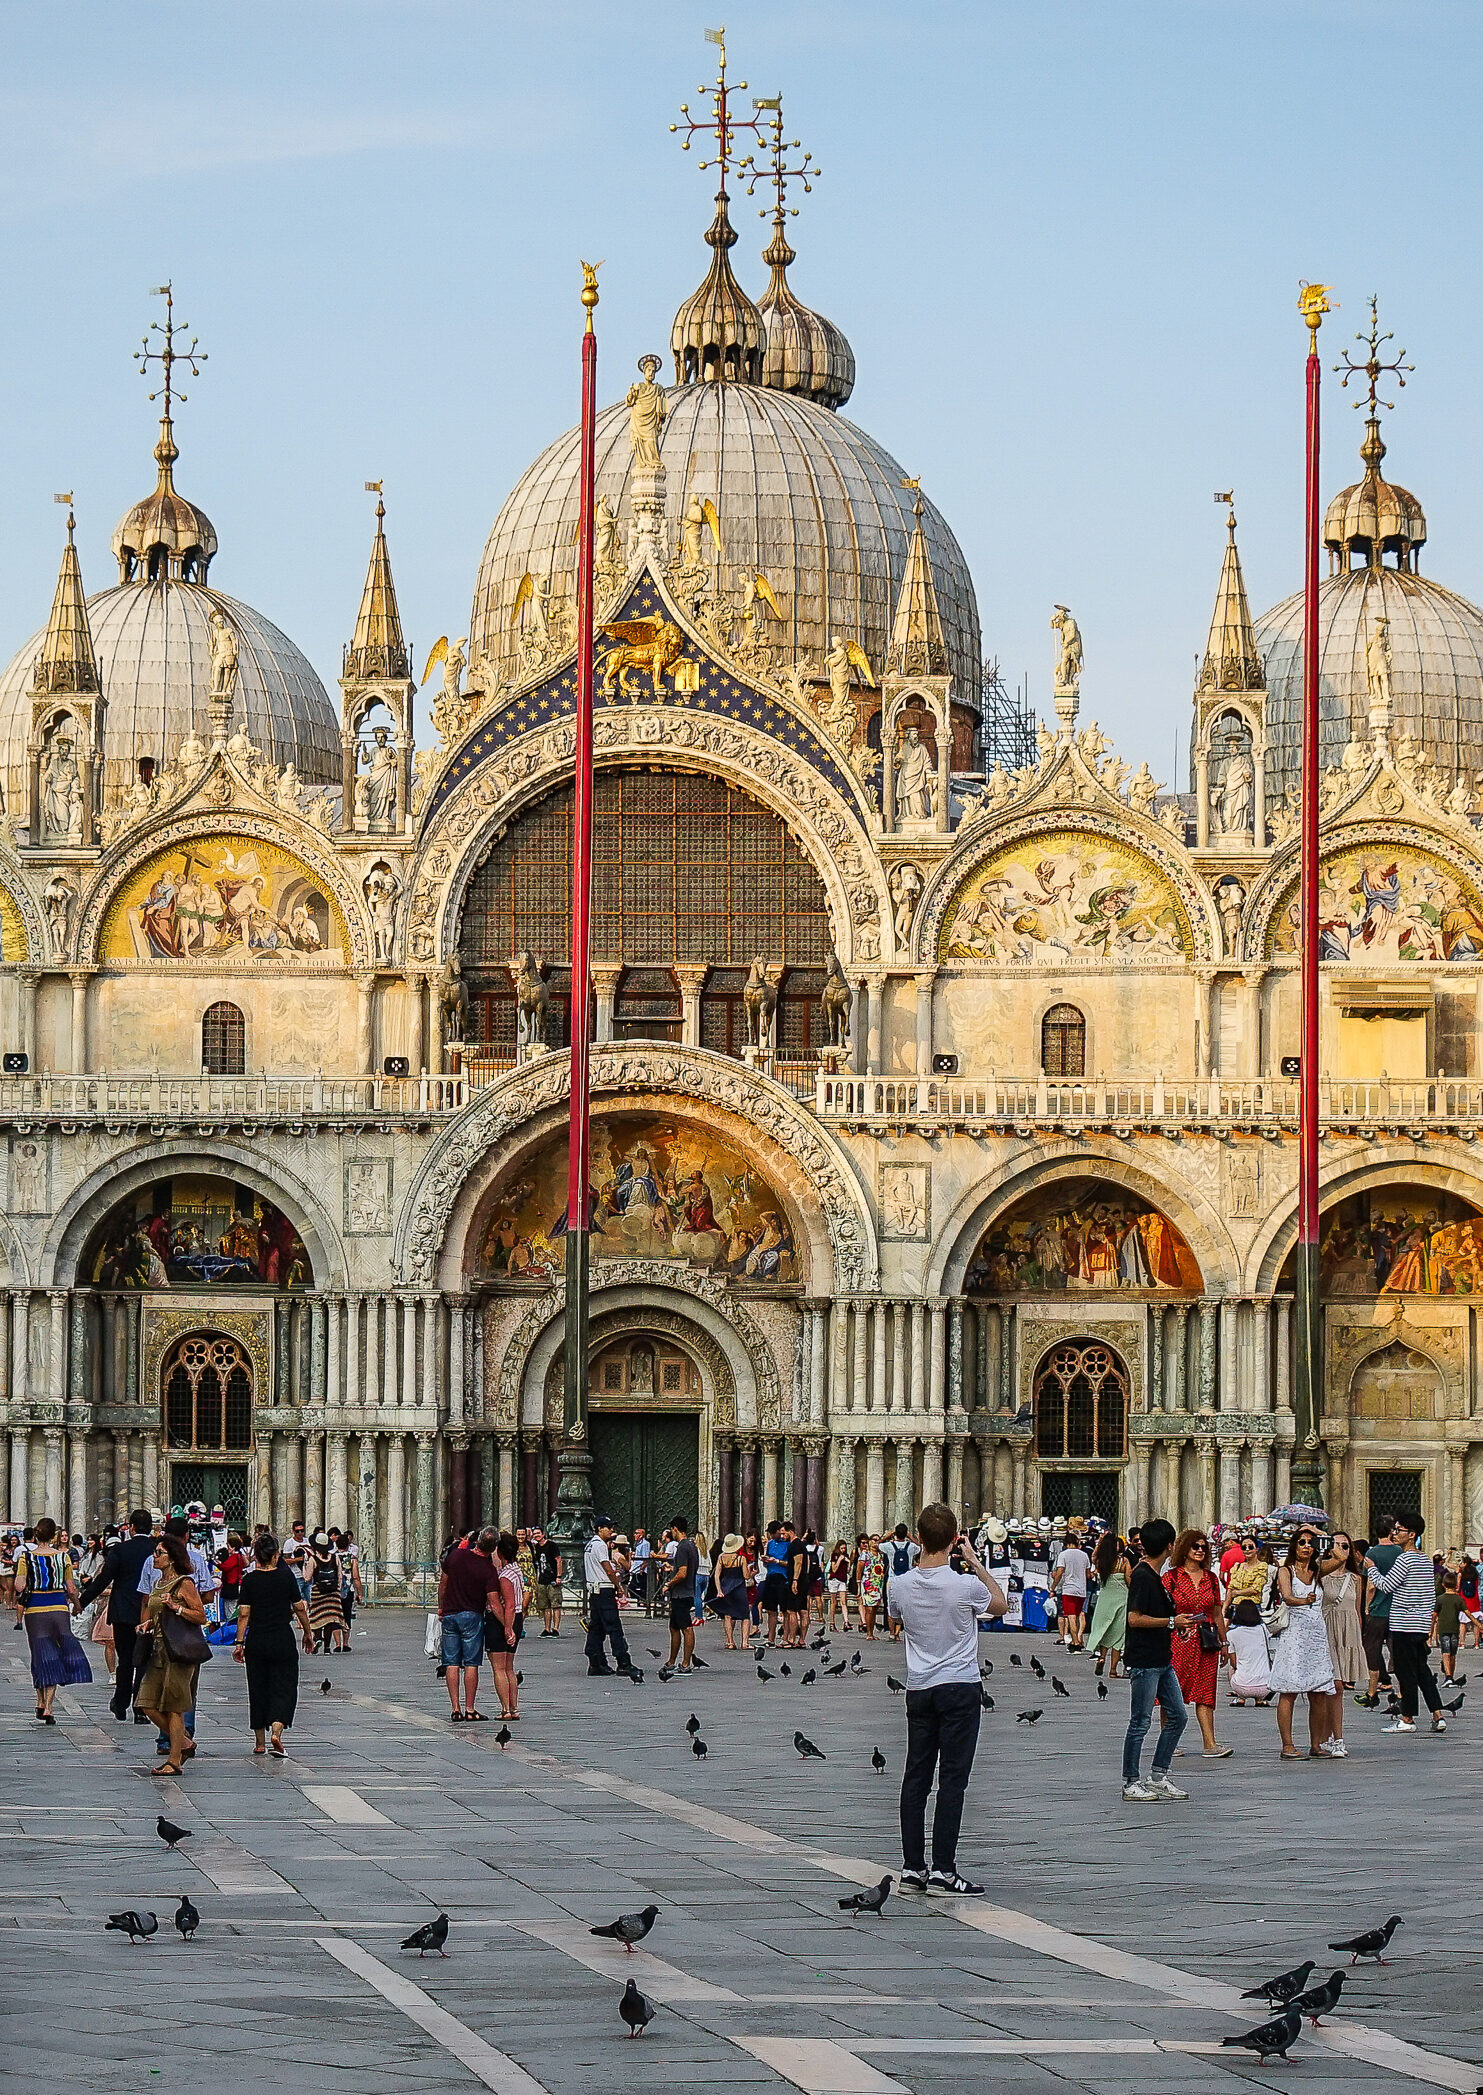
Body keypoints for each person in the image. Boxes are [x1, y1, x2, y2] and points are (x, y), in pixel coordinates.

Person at [888, 1502, 1006, 1896]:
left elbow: (894, 1616)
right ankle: (943, 1870)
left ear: (918, 1538)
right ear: (955, 1539)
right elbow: (1001, 1603)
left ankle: (911, 1868)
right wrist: (973, 1561)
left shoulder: (899, 1585)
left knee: (915, 1778)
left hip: (919, 1687)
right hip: (959, 1687)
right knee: (952, 1780)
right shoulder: (965, 1585)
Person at [1121, 1518, 1192, 1801]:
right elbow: (1134, 1618)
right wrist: (1172, 1622)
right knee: (1140, 1721)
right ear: (1169, 1546)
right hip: (1144, 1660)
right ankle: (1130, 1781)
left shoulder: (1156, 1577)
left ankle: (1159, 1775)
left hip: (1161, 1658)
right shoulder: (1143, 1576)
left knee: (1178, 1715)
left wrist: (1175, 1624)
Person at [1358, 1512, 1448, 1733]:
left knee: (1406, 1672)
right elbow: (1429, 1596)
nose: (1395, 1533)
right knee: (1423, 1671)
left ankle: (1407, 1718)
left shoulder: (1405, 1558)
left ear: (1412, 1534)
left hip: (1402, 1624)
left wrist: (1371, 1568)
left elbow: (1386, 1585)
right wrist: (1427, 1620)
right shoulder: (1425, 1560)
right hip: (1419, 1624)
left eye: (1399, 1530)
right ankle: (1438, 1714)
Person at [134, 1533, 208, 1775]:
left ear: (172, 1558)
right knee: (146, 1703)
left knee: (174, 1706)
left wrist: (176, 1607)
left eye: (159, 1553)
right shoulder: (158, 1583)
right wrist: (149, 1625)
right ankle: (184, 1742)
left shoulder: (184, 1583)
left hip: (178, 1652)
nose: (154, 1557)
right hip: (157, 1649)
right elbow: (157, 1614)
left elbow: (200, 1616)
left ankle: (174, 1760)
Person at [234, 1533, 313, 1755]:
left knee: (257, 1687)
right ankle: (276, 1732)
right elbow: (299, 1607)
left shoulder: (249, 1580)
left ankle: (259, 1742)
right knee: (284, 1686)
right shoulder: (285, 1578)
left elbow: (243, 1613)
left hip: (257, 1639)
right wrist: (308, 1633)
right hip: (282, 1638)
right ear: (276, 1555)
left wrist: (239, 1643)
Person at [76, 1509, 156, 1723]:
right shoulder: (157, 1549)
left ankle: (120, 1703)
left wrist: (81, 1602)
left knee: (126, 1659)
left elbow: (103, 1580)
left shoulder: (121, 1550)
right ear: (150, 1528)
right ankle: (140, 1708)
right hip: (148, 1613)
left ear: (131, 1527)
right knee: (144, 1660)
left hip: (123, 1613)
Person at [1269, 1528, 1340, 1758]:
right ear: (1294, 1546)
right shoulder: (1285, 1570)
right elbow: (1287, 1597)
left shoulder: (1317, 1571)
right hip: (1294, 1635)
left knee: (1318, 1691)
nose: (1307, 1546)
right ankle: (1287, 1744)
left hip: (1316, 1636)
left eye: (1311, 1543)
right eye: (1302, 1542)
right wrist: (1304, 1600)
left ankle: (1316, 1744)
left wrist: (1320, 1533)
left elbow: (1340, 1557)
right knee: (1288, 1690)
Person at [14, 1518, 91, 1722]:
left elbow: (19, 1586)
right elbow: (71, 1587)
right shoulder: (63, 1557)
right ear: (54, 1536)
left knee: (40, 1654)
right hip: (58, 1608)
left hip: (35, 1610)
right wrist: (77, 1604)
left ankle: (39, 1701)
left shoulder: (26, 1558)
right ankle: (48, 1706)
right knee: (55, 1654)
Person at [1162, 1530, 1230, 1757]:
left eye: (1203, 1547)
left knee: (1206, 1691)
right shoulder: (1171, 1578)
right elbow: (1162, 1610)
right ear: (1185, 1549)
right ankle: (1169, 1741)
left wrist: (1224, 1642)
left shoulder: (1211, 1578)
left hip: (1205, 1640)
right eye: (1195, 1547)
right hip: (1178, 1640)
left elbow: (1217, 1612)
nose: (1200, 1550)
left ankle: (1210, 1743)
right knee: (1172, 1691)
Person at [438, 1525, 496, 1721]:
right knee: (471, 1663)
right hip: (472, 1616)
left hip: (450, 1614)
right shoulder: (488, 1569)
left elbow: (443, 1584)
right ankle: (470, 1709)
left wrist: (441, 1607)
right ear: (493, 1548)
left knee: (451, 1662)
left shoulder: (456, 1556)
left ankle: (455, 1708)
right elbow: (493, 1600)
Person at [584, 1515, 638, 1679]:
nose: (612, 1530)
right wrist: (618, 1585)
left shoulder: (589, 1545)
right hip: (604, 1590)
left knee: (596, 1628)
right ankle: (623, 1662)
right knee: (614, 1627)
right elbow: (607, 1568)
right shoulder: (600, 1545)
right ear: (599, 1529)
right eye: (609, 1527)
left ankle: (596, 1662)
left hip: (594, 1591)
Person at [1357, 1514, 1399, 1708]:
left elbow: (1371, 1586)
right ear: (1392, 1531)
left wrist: (1367, 1606)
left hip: (1378, 1611)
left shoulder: (1372, 1555)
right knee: (1397, 1651)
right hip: (1397, 1611)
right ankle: (1400, 1691)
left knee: (1372, 1649)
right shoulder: (1400, 1552)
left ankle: (1372, 1691)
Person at [1320, 1531, 1365, 1692]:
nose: (1340, 1549)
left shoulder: (1355, 1578)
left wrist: (1359, 1633)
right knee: (1331, 1682)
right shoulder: (1321, 1575)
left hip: (1348, 1628)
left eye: (1345, 1546)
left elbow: (1357, 1609)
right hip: (1327, 1626)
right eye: (1335, 1545)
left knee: (1339, 1685)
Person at [487, 1531, 524, 1720]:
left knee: (499, 1668)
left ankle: (505, 1709)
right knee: (509, 1667)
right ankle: (514, 1707)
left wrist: (507, 1628)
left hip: (503, 1620)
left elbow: (507, 1604)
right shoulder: (516, 1570)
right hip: (517, 1617)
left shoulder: (504, 1576)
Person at [659, 1514, 700, 1678]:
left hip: (681, 1593)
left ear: (675, 1529)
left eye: (672, 1530)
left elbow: (682, 1573)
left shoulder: (683, 1547)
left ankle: (685, 1664)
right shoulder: (692, 1546)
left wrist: (669, 1584)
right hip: (685, 1592)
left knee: (686, 1628)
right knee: (674, 1627)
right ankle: (671, 1661)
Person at [1087, 1530, 1129, 1678]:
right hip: (1121, 1599)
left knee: (1104, 1629)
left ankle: (1101, 1657)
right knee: (1119, 1635)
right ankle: (1113, 1669)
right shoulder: (1123, 1562)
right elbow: (1130, 1581)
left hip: (1105, 1598)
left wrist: (1100, 1541)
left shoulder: (1101, 1561)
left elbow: (1093, 1556)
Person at [1226, 1598, 1273, 1705]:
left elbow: (1234, 1663)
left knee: (1231, 1669)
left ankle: (1240, 1697)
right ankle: (1260, 1699)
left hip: (1242, 1686)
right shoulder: (1263, 1630)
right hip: (1265, 1686)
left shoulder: (1232, 1635)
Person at [307, 1532, 347, 1654]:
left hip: (318, 1592)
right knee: (330, 1619)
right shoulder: (335, 1558)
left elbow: (307, 1577)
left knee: (317, 1617)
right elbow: (340, 1575)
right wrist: (338, 1589)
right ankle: (327, 1648)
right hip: (333, 1593)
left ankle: (318, 1638)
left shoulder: (313, 1559)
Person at [1052, 1531, 1092, 1650]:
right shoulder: (1084, 1555)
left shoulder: (1063, 1555)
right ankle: (1079, 1638)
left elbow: (1059, 1572)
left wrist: (1053, 1586)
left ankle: (1075, 1642)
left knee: (1071, 1615)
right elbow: (1088, 1574)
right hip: (1081, 1589)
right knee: (1079, 1614)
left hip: (1069, 1589)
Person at [712, 1534, 751, 1651]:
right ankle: (745, 1642)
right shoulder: (741, 1559)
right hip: (739, 1587)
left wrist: (719, 1590)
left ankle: (730, 1641)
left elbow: (716, 1575)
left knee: (728, 1615)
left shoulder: (721, 1557)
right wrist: (749, 1571)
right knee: (745, 1616)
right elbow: (746, 1576)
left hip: (726, 1588)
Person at [759, 1522, 790, 1643]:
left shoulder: (787, 1544)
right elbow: (766, 1562)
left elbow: (790, 1563)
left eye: (773, 1533)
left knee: (785, 1610)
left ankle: (785, 1638)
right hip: (770, 1576)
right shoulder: (770, 1543)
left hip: (782, 1577)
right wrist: (765, 1560)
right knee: (771, 1610)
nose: (772, 1535)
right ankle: (771, 1638)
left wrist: (777, 1561)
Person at [1433, 1570, 1464, 1684]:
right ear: (1456, 1584)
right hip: (1455, 1630)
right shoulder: (1458, 1599)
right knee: (1452, 1655)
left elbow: (1434, 1616)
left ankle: (1448, 1677)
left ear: (1443, 1585)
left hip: (1444, 1630)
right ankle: (1451, 1675)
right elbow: (1468, 1613)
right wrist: (1479, 1624)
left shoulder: (1440, 1599)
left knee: (1445, 1653)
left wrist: (1430, 1631)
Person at [531, 1527, 562, 1635]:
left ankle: (556, 1628)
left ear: (543, 1534)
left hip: (553, 1578)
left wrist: (559, 1576)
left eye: (538, 1533)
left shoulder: (552, 1545)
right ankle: (547, 1628)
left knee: (555, 1604)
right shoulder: (536, 1548)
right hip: (542, 1579)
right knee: (545, 1606)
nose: (536, 1535)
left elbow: (558, 1560)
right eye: (534, 1534)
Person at [858, 1534, 886, 1639]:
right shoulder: (865, 1554)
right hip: (867, 1583)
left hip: (878, 1583)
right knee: (869, 1608)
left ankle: (872, 1632)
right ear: (870, 1541)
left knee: (875, 1609)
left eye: (878, 1540)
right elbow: (859, 1570)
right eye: (874, 1540)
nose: (876, 1542)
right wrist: (858, 1583)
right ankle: (868, 1633)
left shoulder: (881, 1555)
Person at [826, 1539, 853, 1632]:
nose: (843, 1550)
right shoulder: (834, 1555)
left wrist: (848, 1562)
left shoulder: (846, 1556)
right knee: (833, 1602)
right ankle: (832, 1623)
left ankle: (846, 1621)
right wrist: (839, 1560)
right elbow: (833, 1569)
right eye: (841, 1548)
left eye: (845, 1548)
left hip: (842, 1580)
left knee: (843, 1601)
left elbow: (848, 1570)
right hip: (834, 1579)